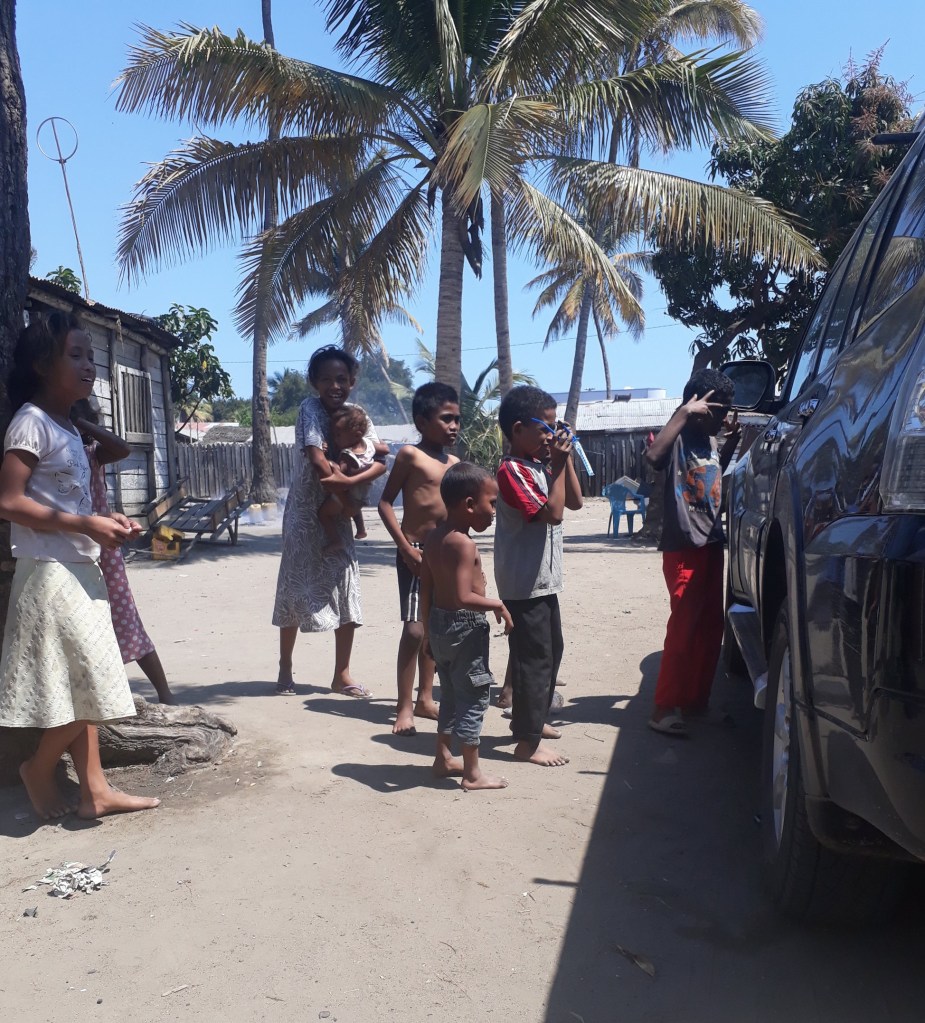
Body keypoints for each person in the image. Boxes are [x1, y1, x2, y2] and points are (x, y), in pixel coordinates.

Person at [0, 311, 159, 820]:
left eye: (92, 356)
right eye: (76, 355)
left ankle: (95, 791)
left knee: (83, 682)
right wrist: (85, 524)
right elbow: (8, 501)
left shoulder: (66, 425)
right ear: (42, 364)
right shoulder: (31, 422)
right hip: (49, 571)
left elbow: (67, 498)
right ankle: (39, 767)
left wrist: (103, 520)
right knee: (95, 681)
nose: (90, 365)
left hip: (78, 567)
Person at [272, 346, 387, 696]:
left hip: (342, 512)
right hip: (306, 514)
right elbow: (316, 455)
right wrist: (335, 481)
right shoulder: (309, 408)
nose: (334, 386)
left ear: (351, 381)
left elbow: (380, 458)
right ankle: (285, 666)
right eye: (326, 379)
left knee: (347, 587)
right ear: (314, 382)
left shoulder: (358, 414)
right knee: (294, 589)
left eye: (341, 379)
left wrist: (347, 484)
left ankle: (342, 674)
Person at [644, 368, 741, 738]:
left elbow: (713, 474)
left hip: (711, 540)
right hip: (685, 545)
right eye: (720, 409)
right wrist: (684, 411)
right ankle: (664, 707)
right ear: (699, 406)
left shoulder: (709, 441)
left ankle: (696, 701)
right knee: (684, 628)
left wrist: (731, 442)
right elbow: (653, 456)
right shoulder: (679, 436)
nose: (724, 416)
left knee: (710, 627)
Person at [494, 386, 582, 767]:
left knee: (551, 650)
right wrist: (557, 465)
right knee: (533, 659)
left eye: (555, 427)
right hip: (523, 583)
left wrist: (565, 459)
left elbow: (575, 501)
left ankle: (532, 720)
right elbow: (554, 514)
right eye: (545, 428)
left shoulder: (541, 466)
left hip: (542, 580)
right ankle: (526, 743)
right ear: (518, 430)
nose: (551, 435)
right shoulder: (511, 470)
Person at [72, 398, 175, 704]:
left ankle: (166, 695)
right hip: (68, 546)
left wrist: (78, 422)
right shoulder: (55, 450)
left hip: (104, 549)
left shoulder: (92, 453)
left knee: (126, 620)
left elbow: (122, 448)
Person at [420, 462, 511, 791]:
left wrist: (427, 632)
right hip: (464, 629)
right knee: (473, 697)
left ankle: (443, 757)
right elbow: (462, 596)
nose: (495, 512)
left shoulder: (433, 537)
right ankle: (472, 773)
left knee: (450, 695)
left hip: (438, 625)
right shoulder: (463, 544)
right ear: (470, 504)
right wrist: (497, 604)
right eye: (492, 503)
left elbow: (427, 589)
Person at [378, 382, 460, 736]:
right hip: (416, 554)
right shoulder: (410, 455)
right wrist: (405, 548)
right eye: (446, 419)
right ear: (422, 422)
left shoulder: (455, 464)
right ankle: (404, 706)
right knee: (414, 630)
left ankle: (426, 698)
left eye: (457, 419)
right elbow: (385, 503)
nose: (454, 426)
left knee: (436, 629)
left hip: (446, 555)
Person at [317, 404, 388, 547]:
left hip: (349, 496)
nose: (335, 439)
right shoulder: (369, 444)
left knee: (323, 514)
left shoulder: (347, 455)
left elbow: (339, 473)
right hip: (364, 493)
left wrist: (327, 458)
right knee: (356, 507)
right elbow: (385, 449)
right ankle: (361, 529)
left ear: (356, 435)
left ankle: (336, 540)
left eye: (338, 435)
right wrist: (382, 443)